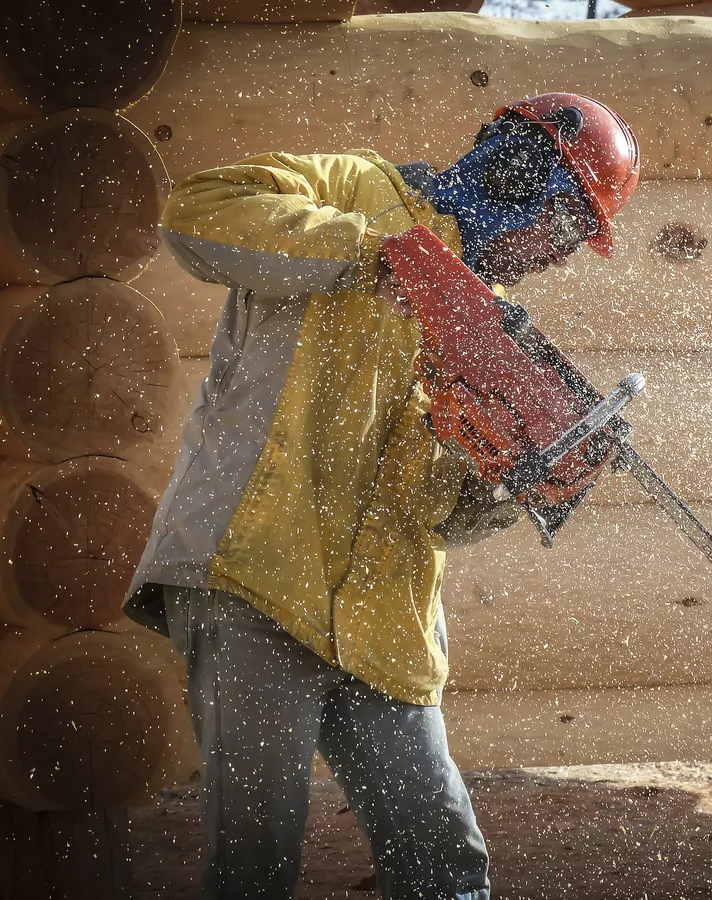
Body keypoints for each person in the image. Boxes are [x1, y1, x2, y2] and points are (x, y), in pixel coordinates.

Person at [122, 93, 640, 900]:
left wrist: (514, 478)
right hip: (253, 576)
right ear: (521, 178)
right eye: (569, 227)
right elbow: (197, 211)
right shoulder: (350, 189)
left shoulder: (493, 331)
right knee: (256, 865)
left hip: (383, 622)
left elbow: (436, 510)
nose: (561, 256)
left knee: (445, 863)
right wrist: (376, 253)